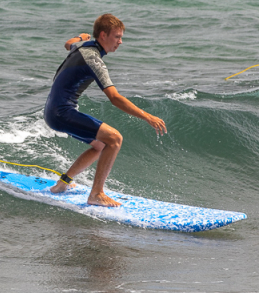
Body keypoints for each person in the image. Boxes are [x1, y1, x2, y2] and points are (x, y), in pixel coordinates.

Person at [44, 14, 167, 207]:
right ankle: (97, 194)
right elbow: (115, 98)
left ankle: (62, 184)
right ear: (103, 35)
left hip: (53, 110)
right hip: (61, 113)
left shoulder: (83, 46)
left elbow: (69, 43)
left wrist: (81, 37)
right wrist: (148, 117)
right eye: (117, 37)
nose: (120, 41)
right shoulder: (94, 60)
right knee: (115, 139)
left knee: (100, 145)